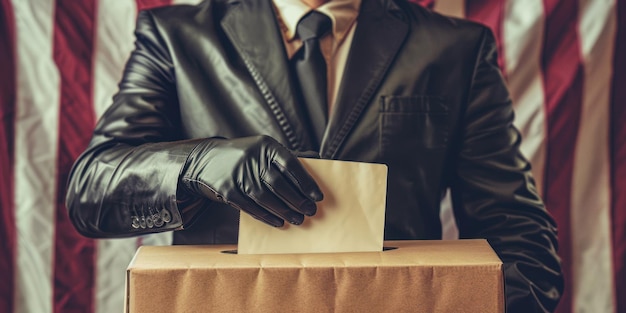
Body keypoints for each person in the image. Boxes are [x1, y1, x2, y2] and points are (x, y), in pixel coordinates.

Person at [65, 0, 564, 311]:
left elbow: (518, 235)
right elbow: (90, 192)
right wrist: (196, 164)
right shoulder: (174, 38)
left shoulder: (455, 47)